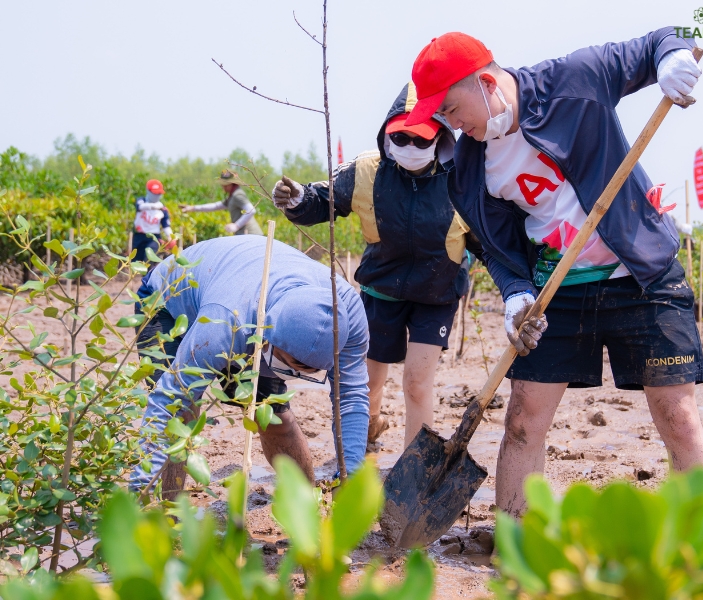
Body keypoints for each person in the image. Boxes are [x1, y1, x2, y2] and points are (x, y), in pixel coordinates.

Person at [405, 29, 703, 515]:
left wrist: (672, 59)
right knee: (523, 421)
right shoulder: (468, 168)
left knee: (677, 417)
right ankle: (516, 545)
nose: (451, 125)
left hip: (643, 274)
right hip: (557, 290)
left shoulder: (575, 79)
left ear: (486, 84)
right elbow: (499, 247)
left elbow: (662, 40)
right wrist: (514, 294)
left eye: (450, 109)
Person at [272, 82, 482, 449]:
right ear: (388, 134)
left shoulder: (463, 177)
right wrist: (297, 200)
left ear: (440, 137)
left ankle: (413, 470)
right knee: (367, 382)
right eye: (401, 138)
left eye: (421, 140)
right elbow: (322, 199)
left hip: (437, 293)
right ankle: (366, 437)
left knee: (417, 382)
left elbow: (491, 240)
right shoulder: (367, 170)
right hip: (380, 290)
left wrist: (522, 285)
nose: (410, 148)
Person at [129, 236, 369, 495]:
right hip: (169, 299)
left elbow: (351, 398)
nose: (295, 376)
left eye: (308, 372)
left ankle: (306, 501)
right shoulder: (225, 323)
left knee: (272, 414)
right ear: (267, 338)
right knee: (181, 414)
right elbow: (168, 399)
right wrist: (138, 489)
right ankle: (164, 512)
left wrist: (350, 478)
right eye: (291, 366)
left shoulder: (346, 314)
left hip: (249, 286)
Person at [180, 170, 263, 235]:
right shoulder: (232, 196)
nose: (223, 186)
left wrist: (236, 225)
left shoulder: (238, 194)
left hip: (251, 235)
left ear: (232, 184)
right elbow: (215, 206)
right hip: (243, 235)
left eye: (225, 184)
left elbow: (251, 210)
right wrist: (192, 208)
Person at [132, 179, 176, 263]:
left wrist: (171, 237)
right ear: (148, 191)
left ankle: (148, 274)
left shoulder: (162, 209)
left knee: (149, 258)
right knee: (136, 260)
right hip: (139, 236)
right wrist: (154, 206)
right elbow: (140, 207)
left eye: (158, 194)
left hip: (154, 237)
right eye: (154, 193)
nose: (156, 195)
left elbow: (166, 225)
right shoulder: (141, 201)